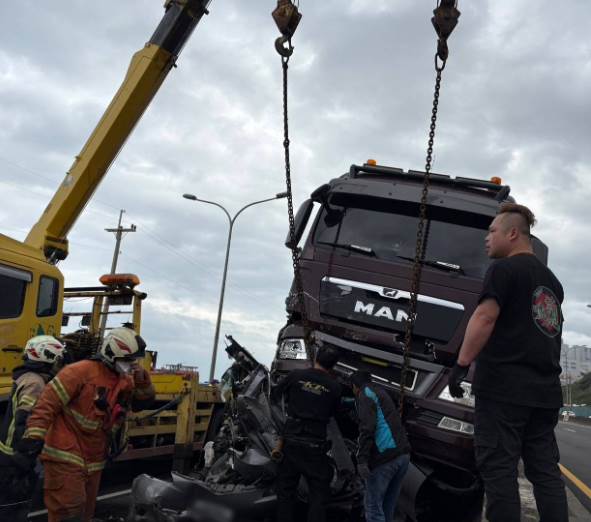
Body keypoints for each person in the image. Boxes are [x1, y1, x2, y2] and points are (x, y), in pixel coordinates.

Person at [447, 203, 568, 522]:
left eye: (492, 231)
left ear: (512, 233)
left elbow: (485, 316)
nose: (486, 238)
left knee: (499, 469)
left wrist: (461, 363)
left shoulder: (503, 270)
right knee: (545, 473)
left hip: (504, 390)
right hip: (544, 394)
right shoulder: (553, 283)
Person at [13, 326, 155, 522]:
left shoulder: (123, 380)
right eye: (128, 360)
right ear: (111, 354)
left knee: (85, 514)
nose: (132, 365)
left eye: (134, 360)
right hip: (65, 455)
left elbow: (141, 403)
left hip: (94, 459)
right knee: (69, 513)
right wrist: (32, 440)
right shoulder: (78, 373)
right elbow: (46, 406)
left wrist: (143, 382)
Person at [272, 345, 342, 522]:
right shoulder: (335, 387)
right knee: (318, 495)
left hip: (291, 442)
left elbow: (274, 394)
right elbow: (335, 414)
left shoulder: (296, 376)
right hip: (315, 446)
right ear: (333, 365)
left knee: (285, 492)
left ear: (315, 357)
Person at [0, 336, 66, 519]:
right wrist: (26, 455)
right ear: (47, 357)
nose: (59, 365)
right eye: (58, 359)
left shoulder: (26, 377)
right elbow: (26, 420)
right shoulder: (35, 383)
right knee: (12, 510)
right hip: (15, 459)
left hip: (8, 455)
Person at [350, 370, 410, 522]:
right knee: (387, 506)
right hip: (402, 456)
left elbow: (367, 428)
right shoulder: (380, 392)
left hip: (384, 459)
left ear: (355, 386)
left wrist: (362, 460)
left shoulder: (364, 394)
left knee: (373, 508)